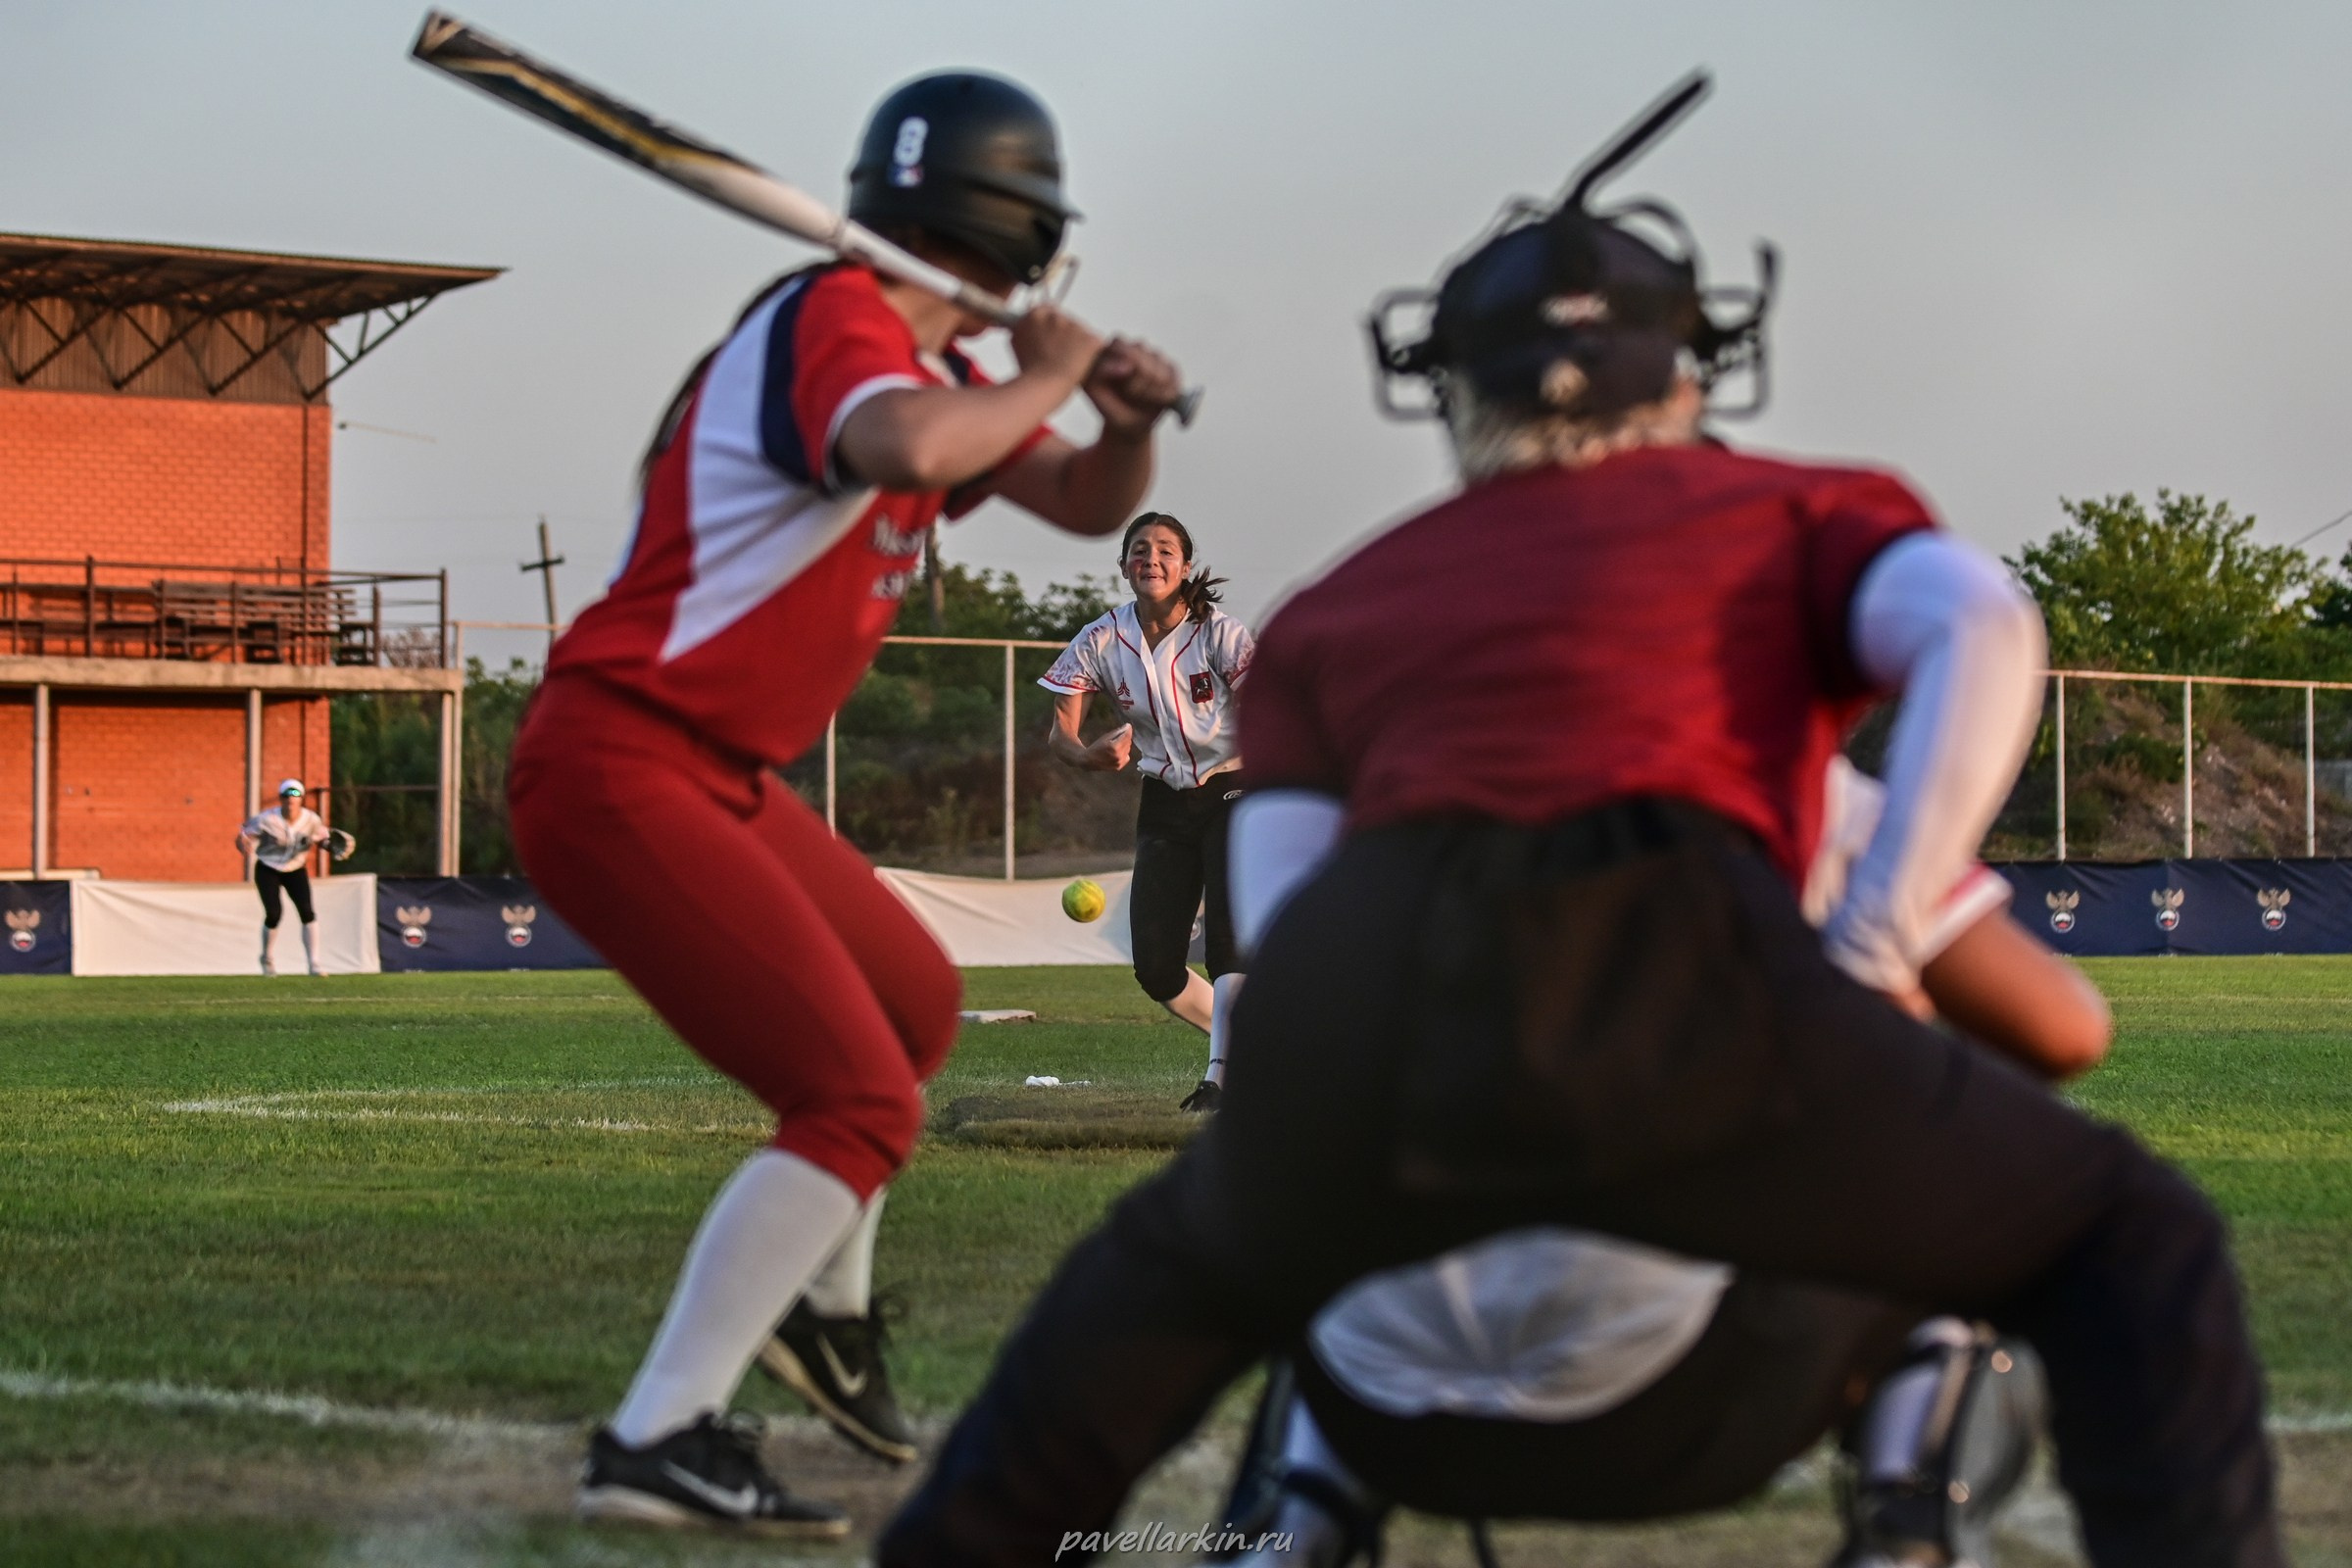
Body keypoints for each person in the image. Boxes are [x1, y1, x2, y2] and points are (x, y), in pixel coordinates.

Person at [878, 78, 2281, 1568]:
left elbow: (1292, 975)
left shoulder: (1335, 614)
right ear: (1689, 373)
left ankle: (1297, 1496)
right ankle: (1908, 1494)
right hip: (1717, 1338)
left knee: (1128, 1333)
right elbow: (1986, 628)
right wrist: (1868, 952)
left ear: (1446, 383)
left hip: (1374, 1373)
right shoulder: (1780, 538)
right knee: (2135, 1240)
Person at [504, 69, 1188, 1537]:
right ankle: (656, 1435)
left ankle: (826, 1313)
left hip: (709, 771)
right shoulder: (840, 326)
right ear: (1012, 237)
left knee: (913, 1009)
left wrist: (1120, 422)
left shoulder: (931, 371)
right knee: (861, 1097)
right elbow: (908, 454)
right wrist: (1061, 367)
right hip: (621, 756)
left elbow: (1079, 499)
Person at [1216, 760, 2115, 1568]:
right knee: (1986, 1134)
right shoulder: (1783, 777)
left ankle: (1300, 1509)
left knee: (1360, 1160)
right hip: (1669, 1407)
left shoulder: (1378, 775)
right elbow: (2064, 1029)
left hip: (1376, 1412)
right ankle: (1910, 1525)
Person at [1041, 511, 1252, 1110]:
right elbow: (1060, 733)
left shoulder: (1221, 633)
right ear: (1124, 566)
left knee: (1228, 943)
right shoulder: (1102, 638)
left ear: (1185, 566)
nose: (1151, 558)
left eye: (1165, 550)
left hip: (1234, 788)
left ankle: (1223, 1077)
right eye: (1139, 548)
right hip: (1164, 801)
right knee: (1156, 969)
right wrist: (1087, 757)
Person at [236, 778, 345, 977]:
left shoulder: (311, 819)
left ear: (301, 799)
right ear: (280, 798)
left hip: (295, 868)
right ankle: (267, 959)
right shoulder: (267, 819)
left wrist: (333, 847)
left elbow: (322, 839)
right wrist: (243, 842)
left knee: (307, 912)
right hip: (268, 867)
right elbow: (244, 833)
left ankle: (314, 964)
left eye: (295, 795)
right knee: (274, 913)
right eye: (287, 795)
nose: (291, 800)